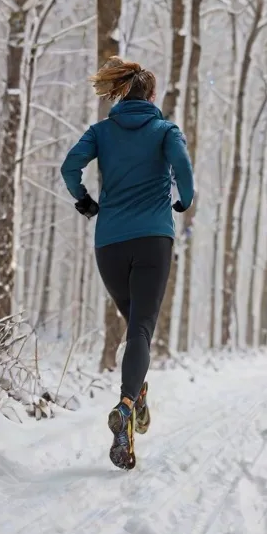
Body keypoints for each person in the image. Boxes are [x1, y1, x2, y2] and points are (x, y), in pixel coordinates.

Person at [61, 57, 194, 470]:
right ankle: (124, 404)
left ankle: (136, 394)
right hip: (154, 238)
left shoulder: (101, 131)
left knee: (134, 326)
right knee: (140, 329)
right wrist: (183, 201)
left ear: (121, 92)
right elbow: (184, 171)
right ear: (152, 96)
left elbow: (69, 167)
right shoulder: (165, 130)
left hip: (110, 243)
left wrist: (85, 201)